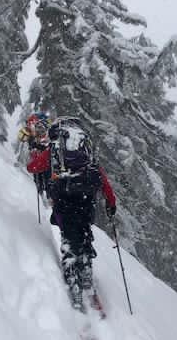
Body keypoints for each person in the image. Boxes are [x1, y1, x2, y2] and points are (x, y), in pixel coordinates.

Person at [27, 119, 116, 312]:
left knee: (69, 238)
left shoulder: (55, 149)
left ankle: (74, 286)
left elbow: (33, 168)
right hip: (86, 202)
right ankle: (86, 274)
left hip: (64, 201)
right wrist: (111, 202)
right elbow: (101, 177)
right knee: (84, 236)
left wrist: (35, 155)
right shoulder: (85, 150)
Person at [18, 113, 51, 197]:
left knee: (45, 179)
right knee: (40, 179)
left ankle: (46, 195)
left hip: (42, 160)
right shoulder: (33, 134)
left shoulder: (41, 130)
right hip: (38, 160)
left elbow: (46, 145)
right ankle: (43, 194)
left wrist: (36, 145)